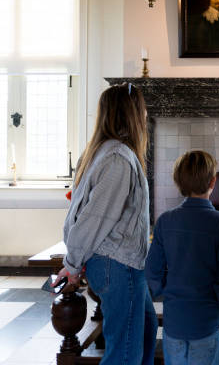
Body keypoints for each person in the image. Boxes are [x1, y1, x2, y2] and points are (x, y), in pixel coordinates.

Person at [55, 83, 158, 364]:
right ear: (131, 115)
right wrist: (73, 264)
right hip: (117, 265)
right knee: (124, 353)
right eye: (142, 109)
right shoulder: (117, 159)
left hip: (123, 264)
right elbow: (94, 219)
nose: (146, 115)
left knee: (146, 332)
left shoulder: (106, 152)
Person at [145, 150, 219, 365]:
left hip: (174, 317)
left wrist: (166, 293)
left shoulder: (165, 221)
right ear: (213, 182)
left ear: (178, 182)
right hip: (207, 319)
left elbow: (152, 272)